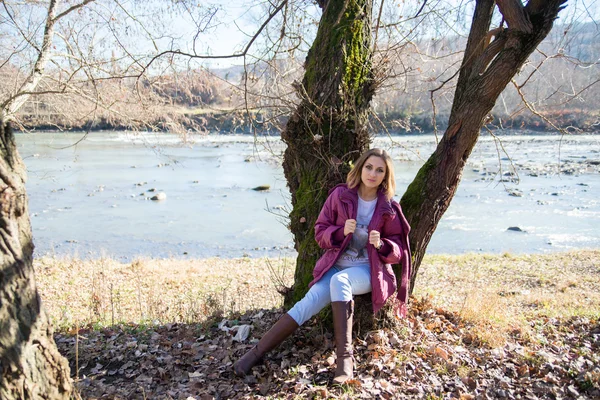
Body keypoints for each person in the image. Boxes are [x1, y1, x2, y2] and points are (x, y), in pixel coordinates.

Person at [234, 148, 411, 383]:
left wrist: (382, 245)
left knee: (341, 281)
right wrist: (339, 231)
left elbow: (400, 249)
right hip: (336, 265)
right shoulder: (340, 196)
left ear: (385, 176)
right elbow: (320, 232)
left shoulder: (388, 207)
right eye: (369, 167)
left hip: (370, 270)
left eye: (380, 170)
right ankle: (254, 354)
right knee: (307, 302)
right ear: (360, 168)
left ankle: (344, 362)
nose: (373, 173)